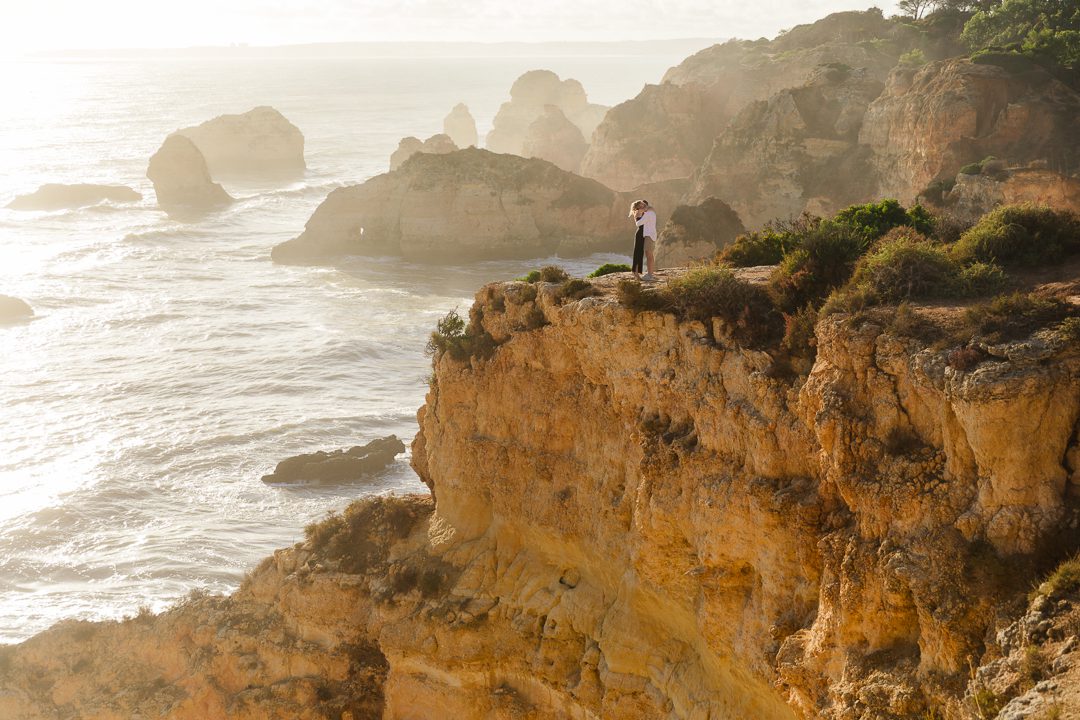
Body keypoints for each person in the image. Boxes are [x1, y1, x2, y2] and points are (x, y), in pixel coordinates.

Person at [628, 199, 657, 282]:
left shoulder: (648, 213)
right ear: (637, 208)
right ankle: (636, 272)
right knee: (638, 253)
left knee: (645, 254)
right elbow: (638, 224)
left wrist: (641, 213)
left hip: (646, 235)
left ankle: (646, 273)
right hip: (641, 234)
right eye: (641, 206)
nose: (643, 207)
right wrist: (638, 214)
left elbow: (640, 223)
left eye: (644, 205)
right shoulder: (640, 213)